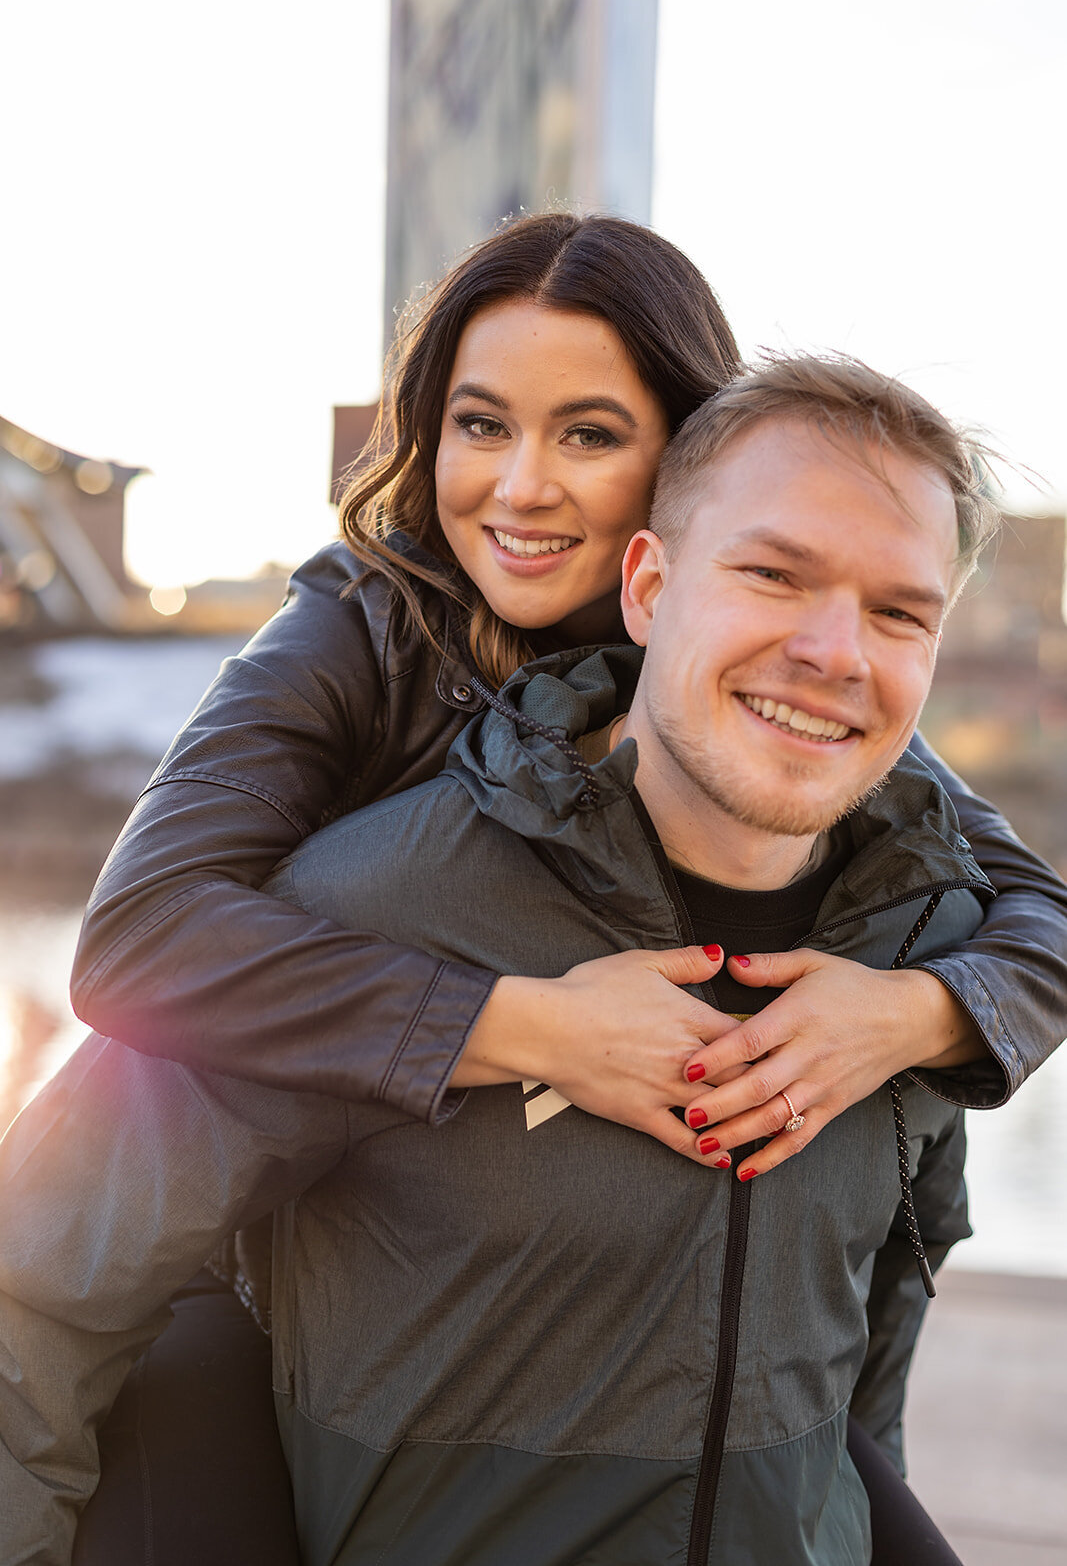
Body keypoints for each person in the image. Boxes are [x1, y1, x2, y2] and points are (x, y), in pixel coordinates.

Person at [0, 354, 1004, 1563]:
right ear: (646, 584)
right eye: (770, 574)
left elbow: (878, 1314)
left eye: (898, 611)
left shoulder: (920, 946)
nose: (836, 652)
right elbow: (34, 1293)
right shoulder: (367, 906)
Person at [69, 212, 1067, 1172]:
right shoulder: (363, 619)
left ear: (688, 451)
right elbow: (137, 935)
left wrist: (908, 1014)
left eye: (586, 436)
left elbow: (1038, 913)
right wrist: (531, 1026)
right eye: (481, 424)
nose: (519, 486)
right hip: (254, 1221)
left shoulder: (748, 668)